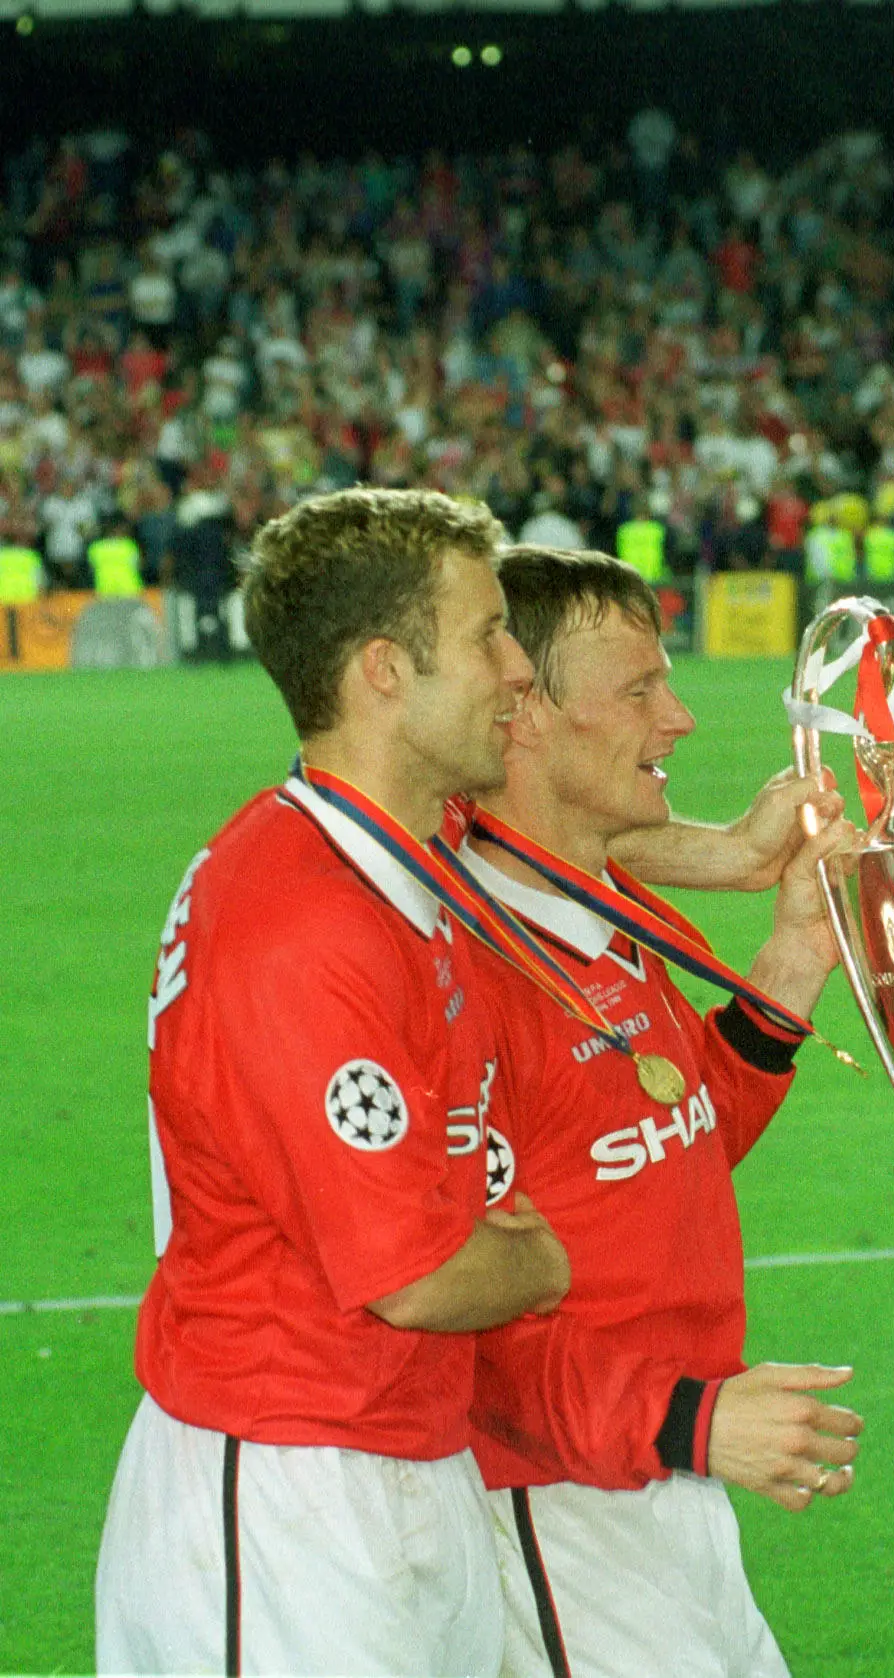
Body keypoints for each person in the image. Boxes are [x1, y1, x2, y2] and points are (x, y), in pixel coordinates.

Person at [95, 488, 572, 1674]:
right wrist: (538, 1260)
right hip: (289, 1493)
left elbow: (562, 836)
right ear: (382, 673)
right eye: (488, 634)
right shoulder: (302, 923)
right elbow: (414, 1275)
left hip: (401, 1452)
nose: (520, 668)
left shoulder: (393, 850)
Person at [458, 547, 865, 1677]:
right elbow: (452, 1326)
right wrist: (689, 1419)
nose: (678, 718)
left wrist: (793, 954)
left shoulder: (608, 905)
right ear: (522, 710)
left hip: (666, 1481)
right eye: (639, 688)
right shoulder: (463, 969)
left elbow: (675, 1141)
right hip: (558, 1500)